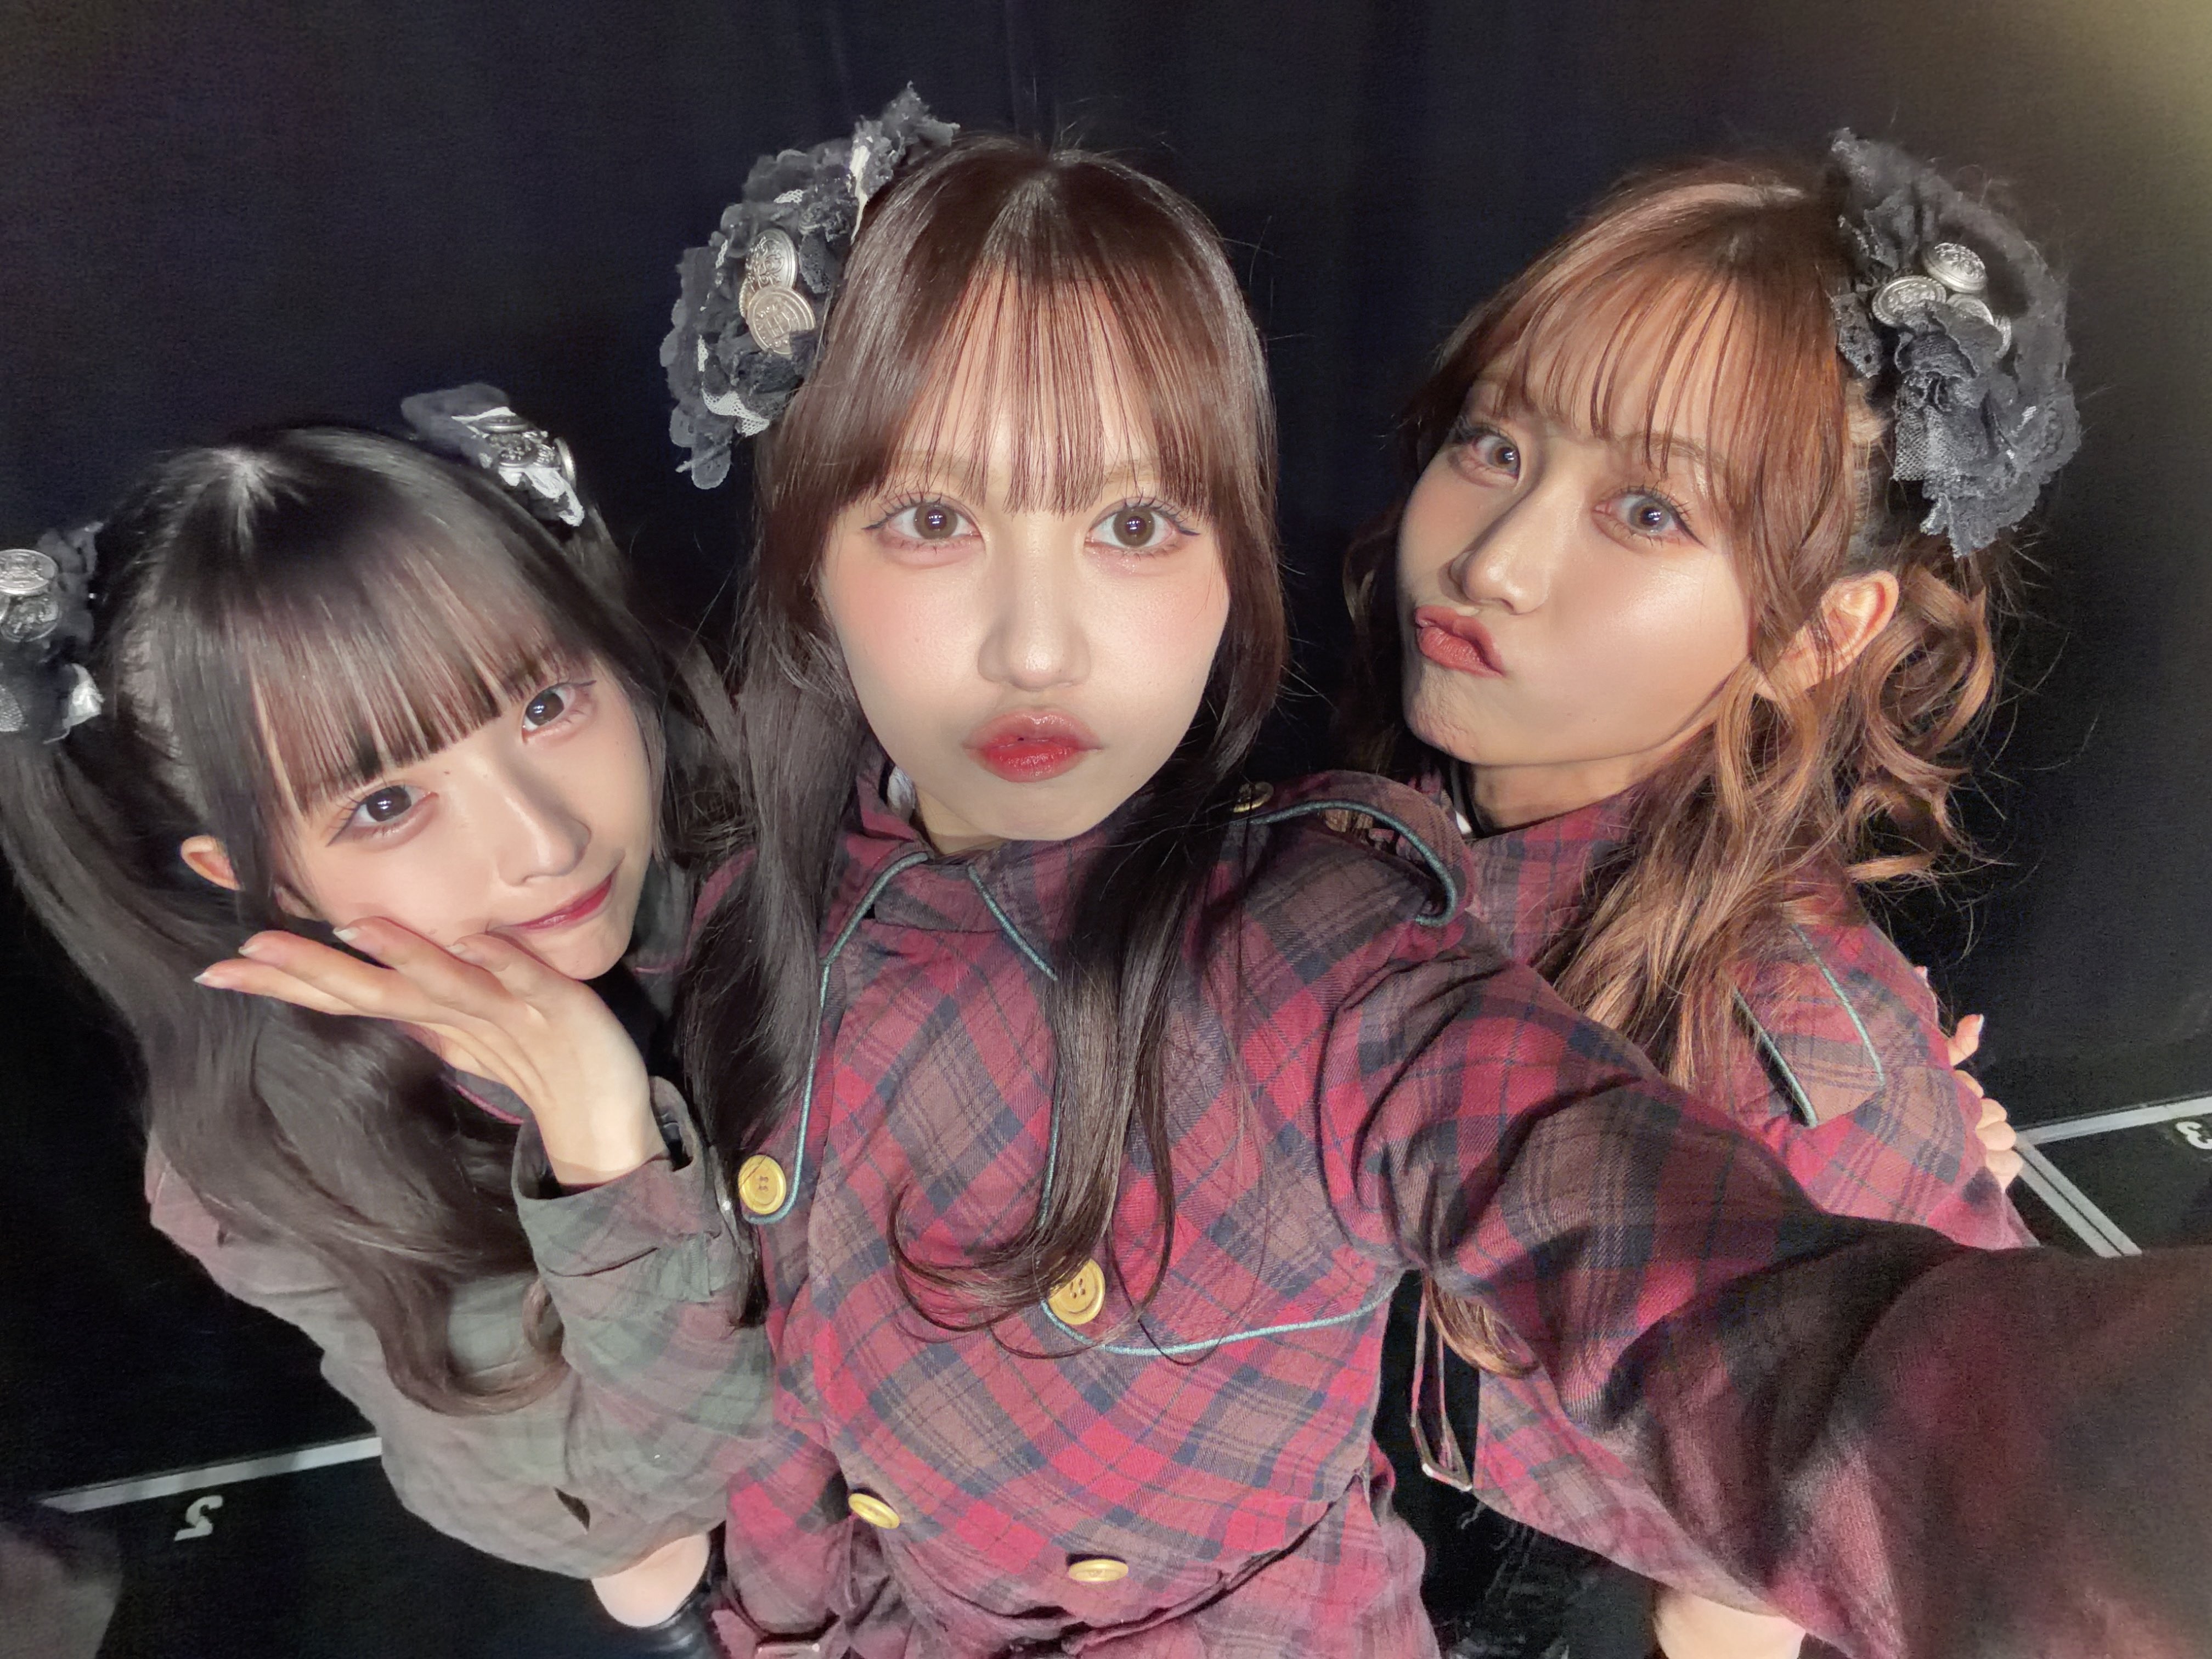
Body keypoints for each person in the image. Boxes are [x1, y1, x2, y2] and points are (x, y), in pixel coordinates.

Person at [259, 109, 2212, 1659]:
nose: (1494, 560)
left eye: (1133, 522)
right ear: (805, 552)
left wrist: (2014, 1378)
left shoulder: (1371, 943)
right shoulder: (1367, 779)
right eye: (1493, 444)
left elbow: (1789, 1373)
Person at [1338, 135, 2070, 1656]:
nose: (1494, 562)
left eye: (1651, 513)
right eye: (1495, 444)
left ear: (1822, 628)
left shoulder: (1805, 1087)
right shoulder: (1400, 809)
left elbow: (1832, 1569)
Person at [0, 393, 757, 1649]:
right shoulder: (265, 1159)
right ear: (254, 877)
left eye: (545, 708)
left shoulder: (747, 822)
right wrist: (601, 1151)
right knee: (653, 1565)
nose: (544, 841)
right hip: (659, 1487)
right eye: (387, 804)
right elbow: (618, 1500)